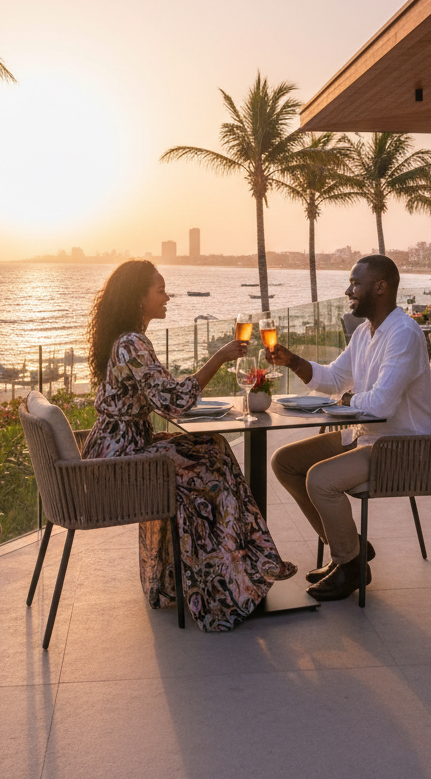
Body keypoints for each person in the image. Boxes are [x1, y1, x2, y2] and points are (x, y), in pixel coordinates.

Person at [83, 259, 295, 632]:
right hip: (118, 462)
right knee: (210, 466)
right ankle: (228, 581)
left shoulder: (126, 339)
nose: (167, 297)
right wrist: (219, 358)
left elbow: (161, 394)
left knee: (212, 446)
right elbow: (173, 402)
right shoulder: (131, 342)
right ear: (138, 298)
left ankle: (250, 564)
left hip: (119, 448)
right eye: (160, 290)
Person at [267, 255, 431, 601]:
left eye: (356, 283)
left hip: (400, 447)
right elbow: (334, 379)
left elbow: (381, 405)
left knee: (320, 479)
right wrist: (293, 361)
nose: (348, 290)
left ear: (381, 287)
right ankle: (351, 548)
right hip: (365, 437)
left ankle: (349, 565)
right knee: (285, 462)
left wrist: (347, 401)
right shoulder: (363, 333)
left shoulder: (403, 334)